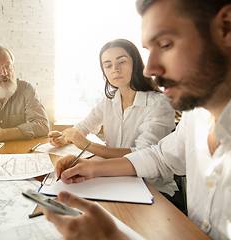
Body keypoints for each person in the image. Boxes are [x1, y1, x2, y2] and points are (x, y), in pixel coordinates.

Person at [42, 0, 231, 239]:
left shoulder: (159, 102)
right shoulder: (196, 117)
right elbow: (160, 157)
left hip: (153, 193)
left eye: (166, 44)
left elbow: (148, 155)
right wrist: (92, 167)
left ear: (226, 27)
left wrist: (89, 148)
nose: (150, 67)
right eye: (108, 65)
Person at [49, 39, 177, 196]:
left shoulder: (159, 104)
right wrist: (65, 137)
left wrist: (87, 145)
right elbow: (85, 125)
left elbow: (143, 155)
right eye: (108, 65)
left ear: (135, 63)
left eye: (121, 62)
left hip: (151, 188)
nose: (115, 69)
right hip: (113, 179)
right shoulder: (109, 100)